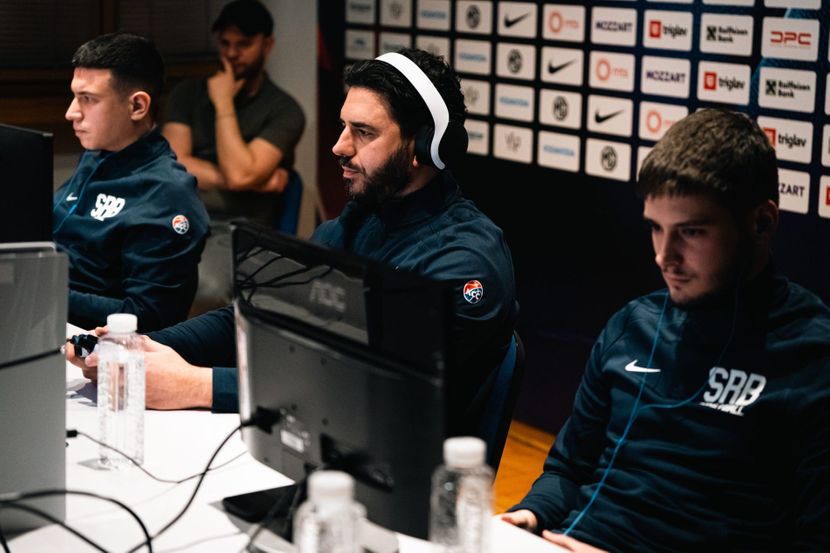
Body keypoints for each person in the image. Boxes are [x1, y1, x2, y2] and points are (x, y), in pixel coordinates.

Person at [73, 48, 519, 437]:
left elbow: (368, 389)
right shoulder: (358, 221)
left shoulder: (464, 263)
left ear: (425, 146)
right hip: (318, 442)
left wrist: (196, 386)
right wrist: (143, 346)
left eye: (364, 132)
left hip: (401, 480)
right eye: (343, 127)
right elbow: (255, 314)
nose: (339, 147)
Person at [502, 109, 830, 552]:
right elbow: (567, 471)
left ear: (762, 223)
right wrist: (529, 515)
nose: (664, 256)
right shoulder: (631, 326)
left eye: (691, 232)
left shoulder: (813, 357)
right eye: (656, 228)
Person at [54, 33, 209, 332]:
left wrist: (41, 294)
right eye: (74, 96)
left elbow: (147, 316)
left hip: (96, 345)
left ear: (137, 106)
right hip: (46, 316)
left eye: (88, 99)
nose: (71, 113)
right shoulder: (97, 156)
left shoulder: (167, 195)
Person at [162, 0, 305, 226]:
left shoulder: (285, 110)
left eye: (243, 44)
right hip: (183, 217)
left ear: (267, 45)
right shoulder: (187, 94)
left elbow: (239, 176)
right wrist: (256, 182)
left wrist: (223, 103)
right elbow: (170, 167)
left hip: (244, 227)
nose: (231, 53)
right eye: (225, 43)